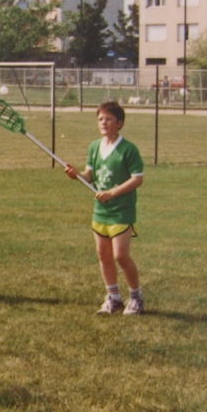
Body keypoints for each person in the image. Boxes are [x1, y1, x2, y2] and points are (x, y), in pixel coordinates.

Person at [64, 101, 145, 315]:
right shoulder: (94, 147)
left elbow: (137, 179)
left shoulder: (128, 149)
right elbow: (89, 176)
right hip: (100, 211)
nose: (103, 122)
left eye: (108, 119)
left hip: (121, 211)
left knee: (121, 256)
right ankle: (113, 298)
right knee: (104, 256)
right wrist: (77, 175)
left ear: (120, 123)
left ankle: (136, 297)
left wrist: (112, 193)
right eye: (100, 119)